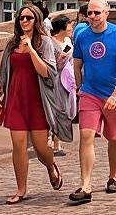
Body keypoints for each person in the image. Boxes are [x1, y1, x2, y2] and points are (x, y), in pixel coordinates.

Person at [0, 3, 65, 205]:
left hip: (38, 100)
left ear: (36, 21)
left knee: (41, 147)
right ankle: (21, 189)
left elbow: (47, 72)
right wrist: (0, 92)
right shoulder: (11, 44)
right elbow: (4, 70)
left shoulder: (44, 42)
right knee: (18, 145)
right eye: (21, 18)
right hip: (16, 98)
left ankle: (51, 167)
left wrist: (31, 50)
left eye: (29, 18)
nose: (24, 21)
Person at [69, 0, 116, 205]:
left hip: (115, 93)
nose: (93, 17)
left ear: (107, 13)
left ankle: (113, 176)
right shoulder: (82, 36)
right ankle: (85, 185)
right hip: (90, 93)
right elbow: (77, 65)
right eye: (90, 13)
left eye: (97, 13)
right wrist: (79, 88)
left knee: (113, 138)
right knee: (86, 135)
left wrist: (114, 94)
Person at [48, 14, 76, 157]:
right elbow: (54, 65)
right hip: (54, 81)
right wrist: (62, 58)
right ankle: (54, 140)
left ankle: (58, 139)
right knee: (55, 110)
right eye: (70, 26)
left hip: (66, 80)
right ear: (62, 28)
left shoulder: (67, 41)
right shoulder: (50, 43)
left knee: (65, 109)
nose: (71, 28)